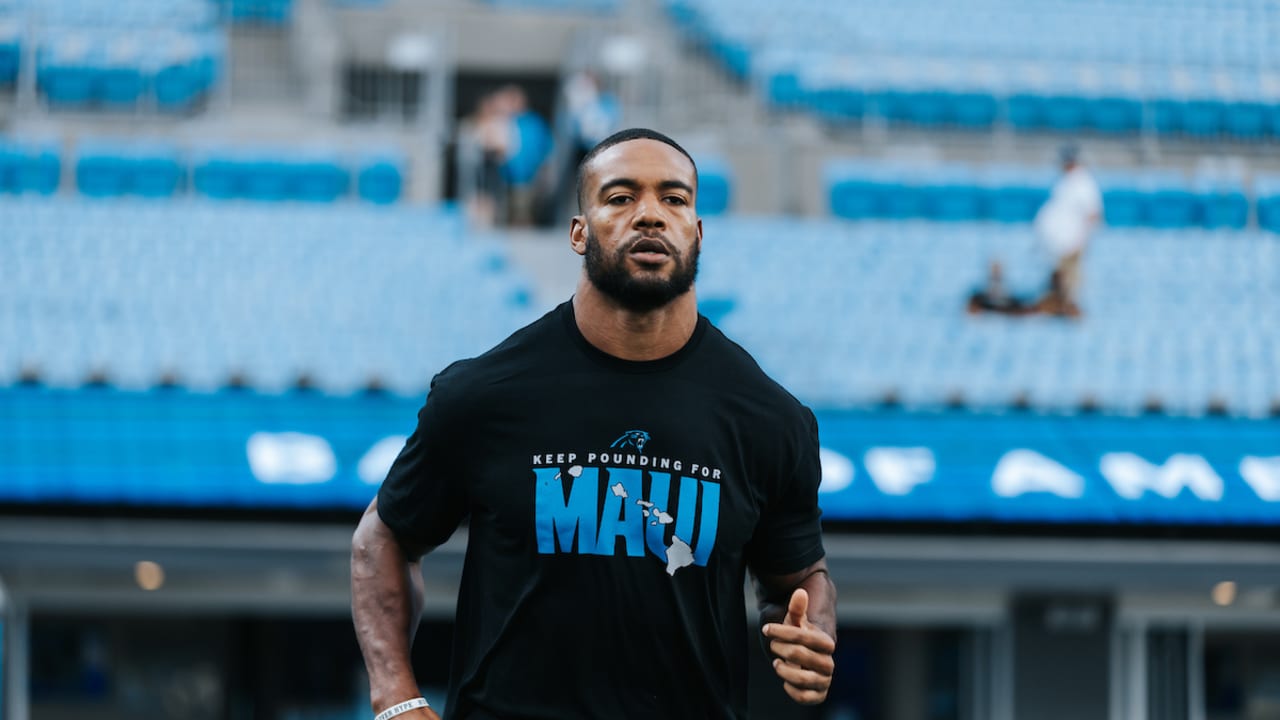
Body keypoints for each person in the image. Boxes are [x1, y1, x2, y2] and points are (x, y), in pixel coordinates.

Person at [351, 128, 837, 720]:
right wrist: (396, 699)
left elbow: (800, 576)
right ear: (579, 231)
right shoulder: (482, 396)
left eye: (675, 199)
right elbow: (384, 537)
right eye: (621, 197)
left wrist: (811, 631)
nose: (650, 215)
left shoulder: (770, 419)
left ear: (698, 232)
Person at [1032, 143, 1102, 316]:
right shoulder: (1066, 181)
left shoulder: (1083, 182)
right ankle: (1059, 305)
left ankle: (1068, 308)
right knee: (1060, 276)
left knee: (1069, 279)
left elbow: (1093, 214)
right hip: (1061, 242)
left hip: (1073, 241)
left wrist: (1081, 238)